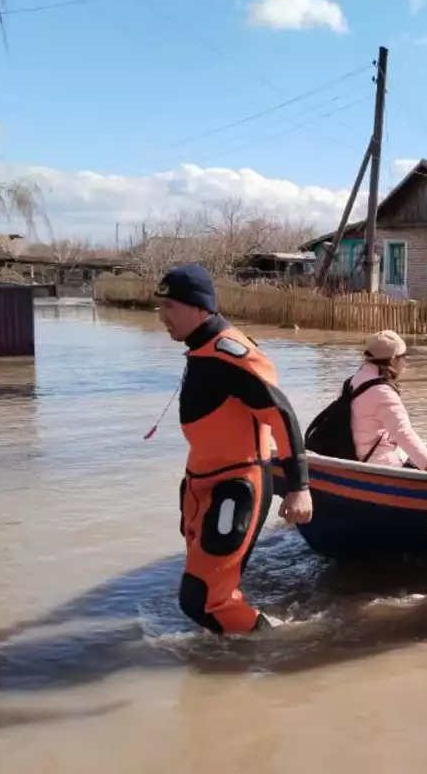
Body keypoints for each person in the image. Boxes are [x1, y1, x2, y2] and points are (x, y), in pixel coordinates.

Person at [155, 264, 313, 635]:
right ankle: (228, 661)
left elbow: (282, 417)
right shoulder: (201, 347)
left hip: (237, 485)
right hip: (203, 484)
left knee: (205, 601)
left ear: (199, 308)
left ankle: (272, 649)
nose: (162, 317)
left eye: (169, 308)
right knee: (203, 595)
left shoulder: (232, 354)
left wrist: (299, 486)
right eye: (160, 308)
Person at [348, 330, 427, 483]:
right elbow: (402, 432)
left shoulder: (354, 380)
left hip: (361, 455)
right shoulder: (383, 392)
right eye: (404, 357)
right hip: (386, 463)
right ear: (394, 360)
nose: (406, 362)